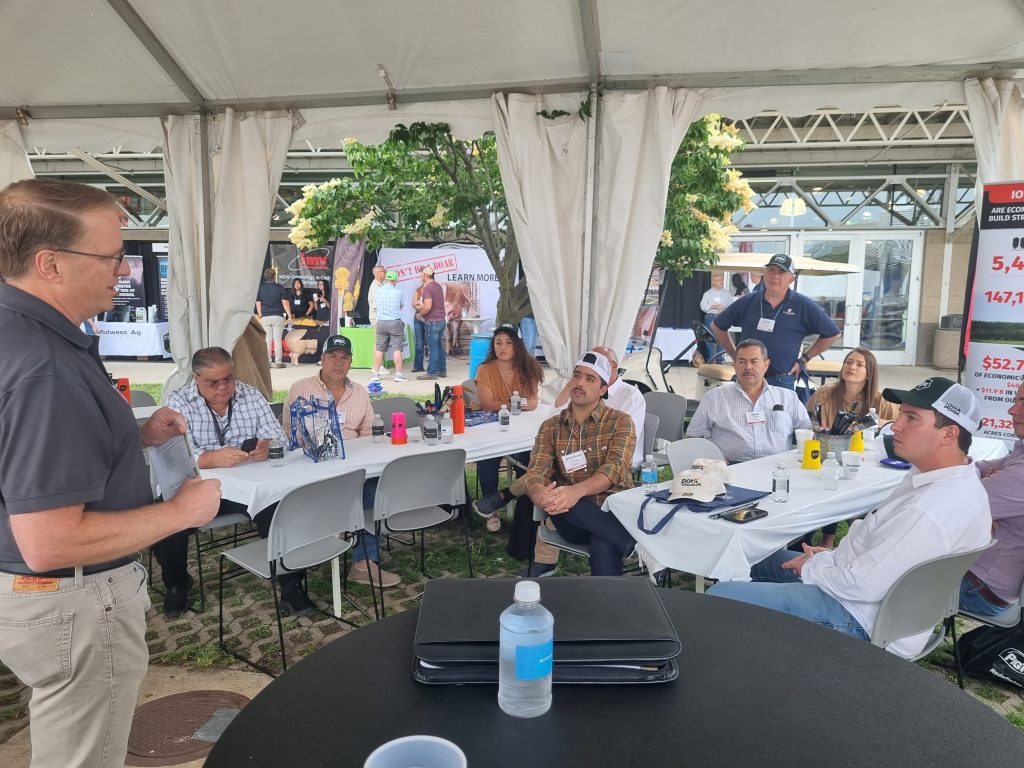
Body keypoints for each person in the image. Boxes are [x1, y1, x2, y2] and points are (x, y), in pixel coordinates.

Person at [0, 178, 221, 767]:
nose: (123, 271)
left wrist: (134, 436)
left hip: (44, 597)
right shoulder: (46, 367)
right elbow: (49, 541)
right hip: (71, 597)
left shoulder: (21, 334)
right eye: (111, 256)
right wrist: (179, 513)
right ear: (50, 264)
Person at [708, 377, 992, 659]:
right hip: (871, 599)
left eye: (912, 418)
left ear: (949, 435)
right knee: (754, 558)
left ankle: (738, 659)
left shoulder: (928, 509)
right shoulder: (953, 482)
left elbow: (863, 585)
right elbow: (884, 559)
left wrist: (814, 567)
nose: (896, 426)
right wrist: (830, 558)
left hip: (863, 620)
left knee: (718, 597)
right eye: (901, 415)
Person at [153, 347, 318, 617]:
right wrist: (210, 458)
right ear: (196, 378)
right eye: (213, 382)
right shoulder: (179, 401)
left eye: (228, 379)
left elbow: (279, 437)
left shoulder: (250, 394)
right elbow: (175, 453)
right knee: (167, 522)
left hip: (246, 486)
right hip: (196, 485)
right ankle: (177, 584)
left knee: (279, 508)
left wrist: (268, 446)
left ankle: (291, 584)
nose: (223, 387)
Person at [282, 335, 401, 588]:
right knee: (360, 493)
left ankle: (364, 563)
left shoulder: (359, 392)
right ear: (322, 359)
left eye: (344, 357)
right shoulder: (300, 389)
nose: (338, 362)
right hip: (312, 468)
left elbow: (368, 435)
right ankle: (329, 547)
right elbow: (290, 435)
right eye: (332, 356)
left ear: (351, 362)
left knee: (378, 489)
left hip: (353, 467)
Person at [522, 351, 637, 576]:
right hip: (570, 517)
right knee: (562, 495)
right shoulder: (551, 427)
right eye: (577, 375)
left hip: (613, 509)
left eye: (590, 378)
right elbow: (536, 473)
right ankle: (636, 547)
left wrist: (576, 491)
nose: (579, 383)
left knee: (603, 543)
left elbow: (614, 468)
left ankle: (607, 598)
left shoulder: (620, 421)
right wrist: (540, 495)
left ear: (603, 390)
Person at [803, 346, 900, 546]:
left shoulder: (880, 400)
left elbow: (898, 426)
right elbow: (806, 421)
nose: (852, 367)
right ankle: (826, 538)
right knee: (826, 484)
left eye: (859, 364)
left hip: (866, 461)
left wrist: (880, 422)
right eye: (848, 362)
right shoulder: (825, 393)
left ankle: (857, 538)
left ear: (869, 373)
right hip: (826, 457)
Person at [712, 254, 840, 389]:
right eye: (771, 270)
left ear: (791, 279)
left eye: (781, 272)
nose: (775, 276)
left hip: (782, 379)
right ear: (764, 274)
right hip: (748, 377)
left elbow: (833, 334)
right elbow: (717, 326)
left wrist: (804, 359)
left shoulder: (803, 305)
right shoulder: (748, 301)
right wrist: (735, 355)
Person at [959, 378, 1024, 618]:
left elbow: (954, 505)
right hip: (973, 573)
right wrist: (983, 509)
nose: (1012, 410)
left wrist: (977, 505)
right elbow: (976, 467)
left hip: (977, 587)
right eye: (1015, 400)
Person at [687, 338, 811, 463]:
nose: (748, 367)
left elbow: (808, 429)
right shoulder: (714, 398)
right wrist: (713, 458)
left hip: (778, 466)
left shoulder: (788, 397)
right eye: (742, 362)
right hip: (730, 467)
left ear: (766, 365)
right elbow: (694, 435)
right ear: (734, 365)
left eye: (754, 361)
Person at [471, 325, 545, 532]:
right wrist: (517, 403)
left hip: (521, 429)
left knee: (527, 460)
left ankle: (524, 508)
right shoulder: (485, 369)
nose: (502, 347)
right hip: (493, 427)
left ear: (517, 345)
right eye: (498, 343)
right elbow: (487, 404)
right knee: (487, 458)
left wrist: (507, 403)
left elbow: (533, 402)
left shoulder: (528, 367)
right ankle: (491, 509)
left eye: (508, 343)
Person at [371, 270, 407, 382]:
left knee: (379, 349)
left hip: (381, 322)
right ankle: (398, 375)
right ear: (395, 281)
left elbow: (376, 305)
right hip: (395, 322)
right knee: (397, 349)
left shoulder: (378, 291)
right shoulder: (398, 292)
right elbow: (401, 305)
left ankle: (375, 374)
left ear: (386, 279)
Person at [256, 267, 292, 368]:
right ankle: (278, 362)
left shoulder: (261, 288)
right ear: (274, 276)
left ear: (265, 277)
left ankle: (267, 363)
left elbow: (258, 302)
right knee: (277, 340)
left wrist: (260, 315)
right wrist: (289, 315)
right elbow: (285, 302)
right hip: (277, 316)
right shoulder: (279, 287)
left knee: (267, 340)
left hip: (265, 316)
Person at [416, 266, 447, 380]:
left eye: (421, 275)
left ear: (426, 275)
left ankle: (432, 372)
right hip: (441, 320)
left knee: (433, 347)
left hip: (432, 321)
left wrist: (420, 314)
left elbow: (428, 307)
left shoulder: (427, 288)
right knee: (438, 346)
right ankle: (442, 370)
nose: (420, 276)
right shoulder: (438, 286)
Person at [699, 271, 732, 363]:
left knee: (722, 337)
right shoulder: (707, 294)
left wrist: (724, 308)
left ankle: (720, 359)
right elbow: (703, 306)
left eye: (722, 280)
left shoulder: (727, 294)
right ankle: (712, 359)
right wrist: (713, 306)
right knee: (710, 338)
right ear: (714, 282)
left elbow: (731, 306)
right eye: (719, 280)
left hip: (722, 316)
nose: (722, 282)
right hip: (711, 316)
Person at [411, 279, 427, 372]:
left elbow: (430, 306)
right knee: (419, 342)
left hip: (428, 317)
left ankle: (434, 368)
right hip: (418, 317)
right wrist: (421, 305)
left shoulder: (432, 290)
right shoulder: (418, 290)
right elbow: (413, 304)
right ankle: (418, 366)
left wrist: (420, 305)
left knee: (431, 342)